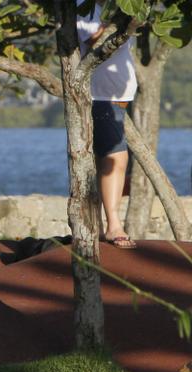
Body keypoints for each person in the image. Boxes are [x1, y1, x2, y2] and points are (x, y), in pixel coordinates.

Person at [77, 0, 138, 249]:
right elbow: (93, 41)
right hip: (100, 96)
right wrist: (114, 20)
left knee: (109, 161)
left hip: (119, 96)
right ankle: (114, 225)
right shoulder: (84, 6)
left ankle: (103, 226)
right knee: (115, 158)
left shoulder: (124, 8)